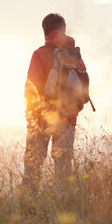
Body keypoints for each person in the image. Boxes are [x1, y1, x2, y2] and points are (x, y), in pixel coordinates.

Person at [23, 13, 87, 190]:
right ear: (64, 30)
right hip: (67, 118)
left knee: (33, 165)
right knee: (64, 168)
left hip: (41, 118)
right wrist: (72, 109)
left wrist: (31, 116)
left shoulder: (39, 54)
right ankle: (63, 205)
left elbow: (31, 89)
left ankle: (27, 204)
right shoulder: (74, 55)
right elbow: (83, 87)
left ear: (45, 32)